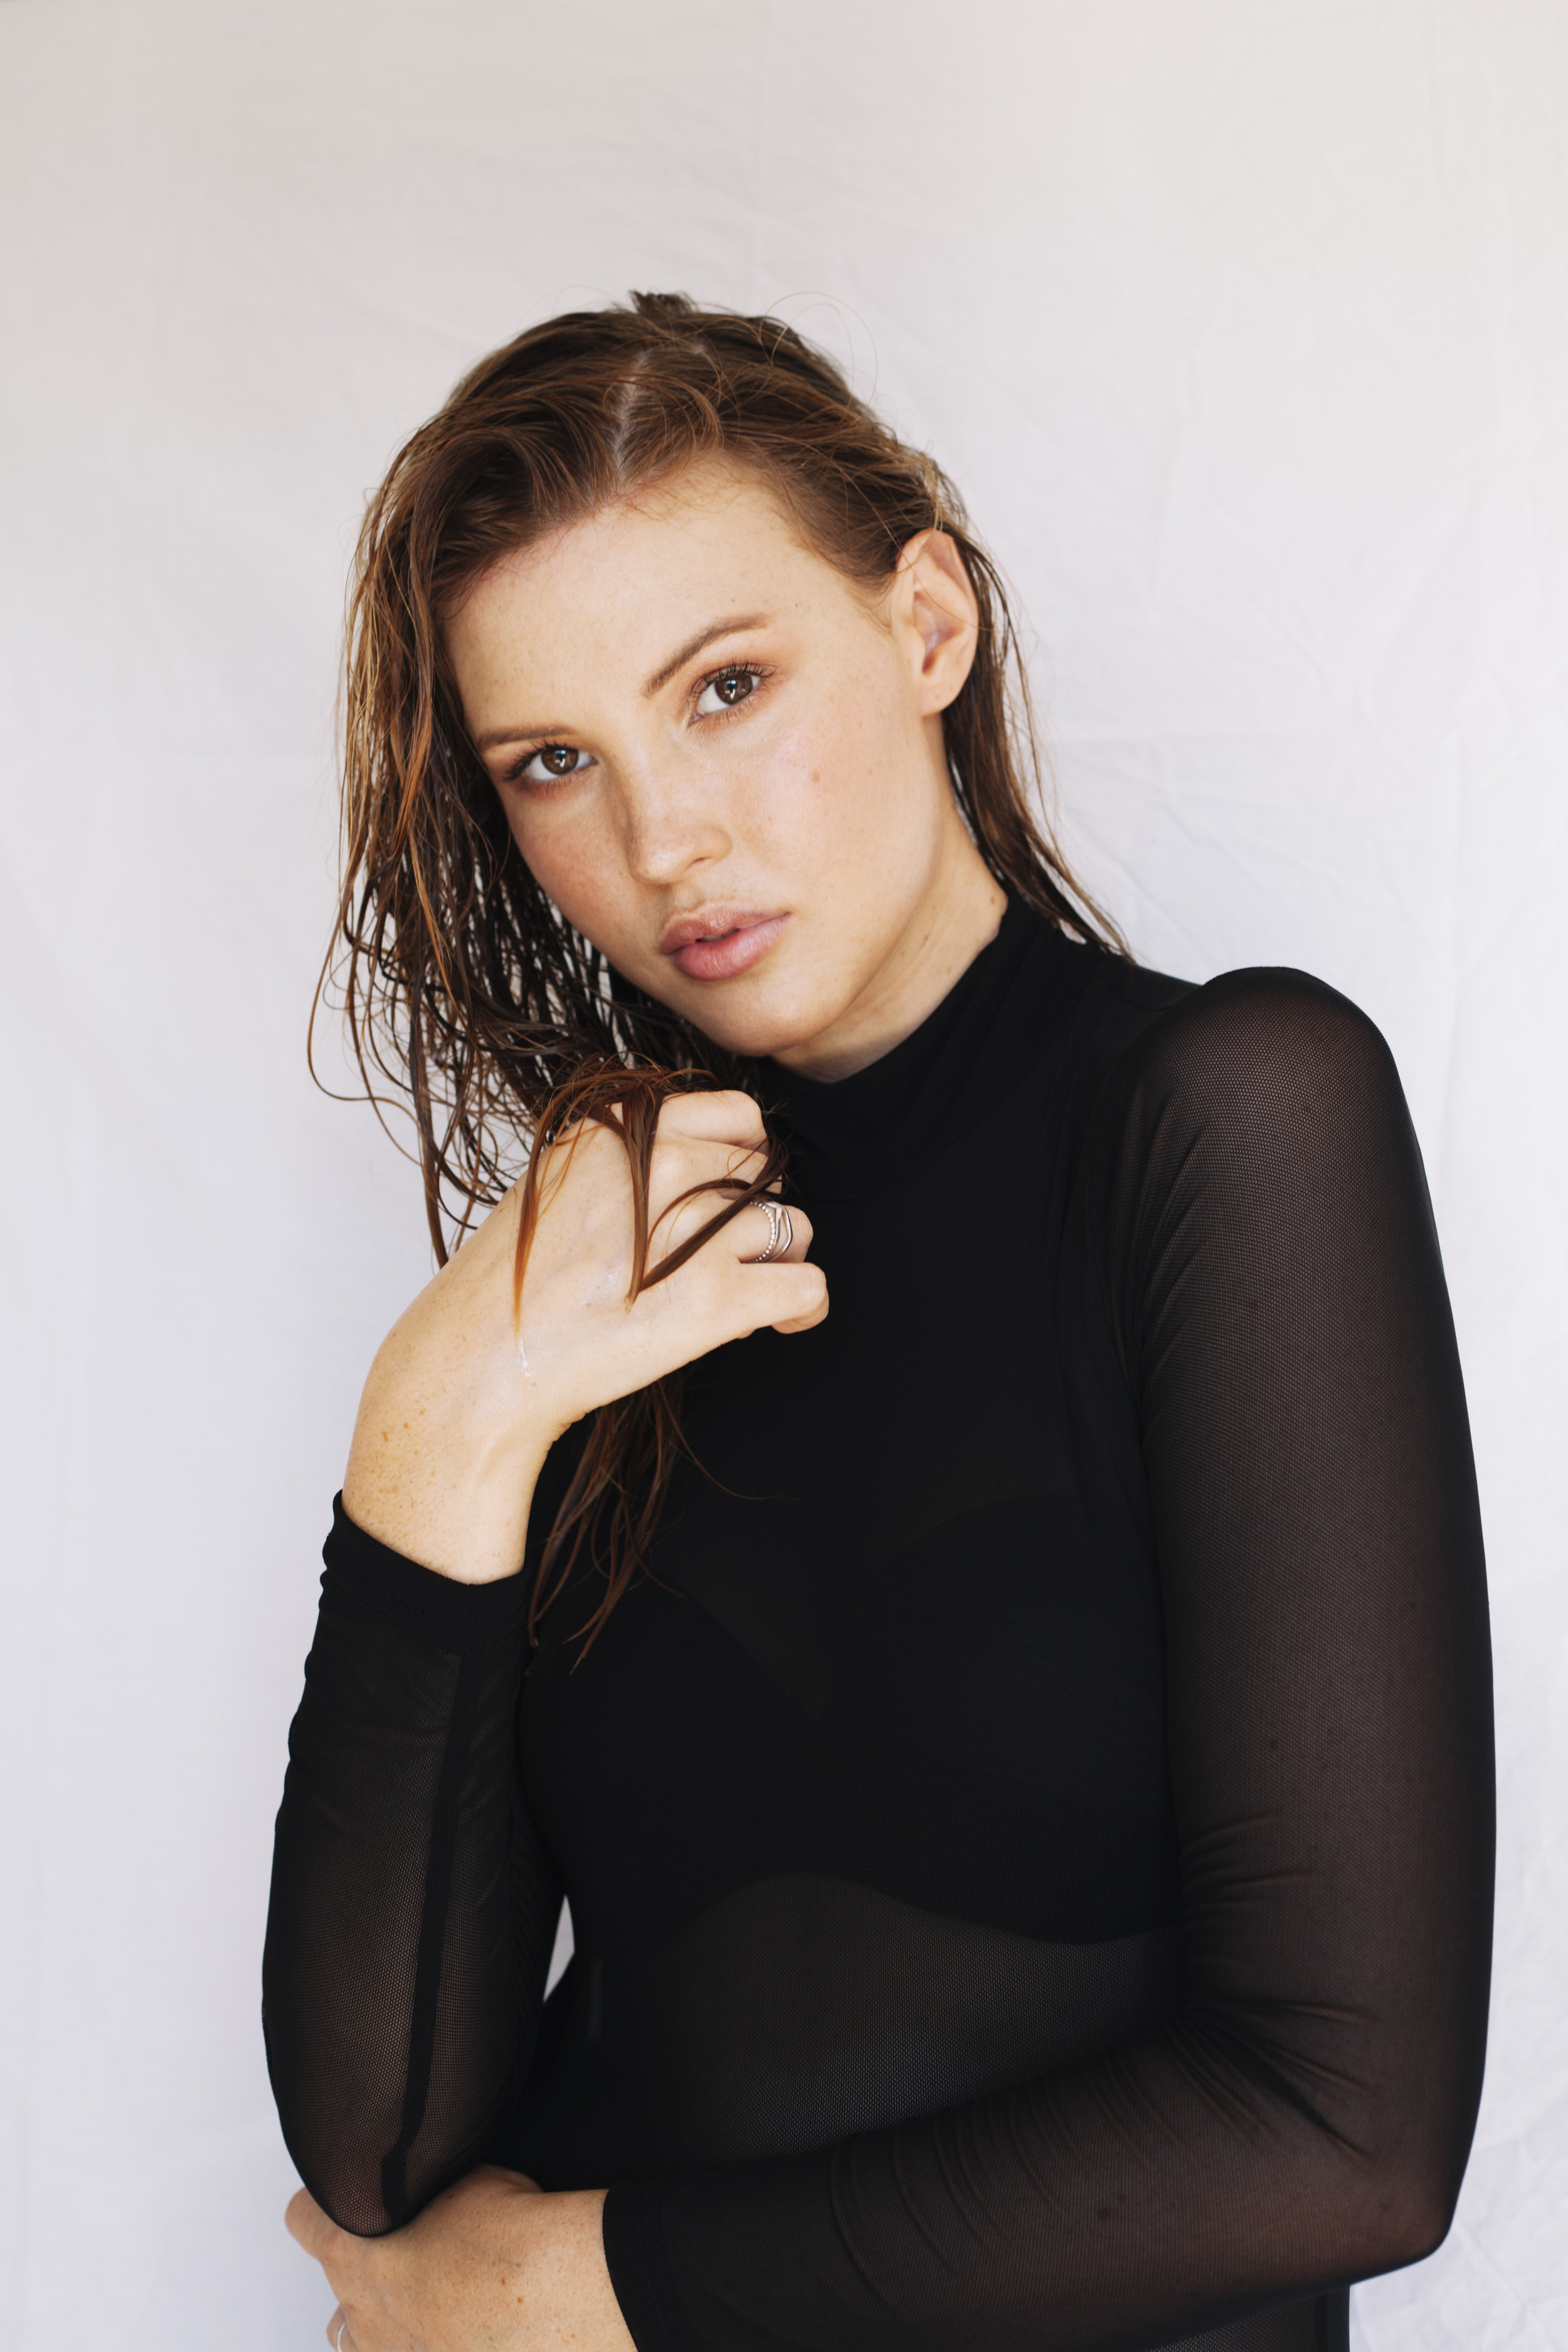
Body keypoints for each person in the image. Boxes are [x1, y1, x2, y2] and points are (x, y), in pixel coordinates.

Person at [263, 292, 1494, 2352]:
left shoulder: (1221, 1120)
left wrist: (591, 2291)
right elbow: (379, 2150)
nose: (662, 839)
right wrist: (435, 1425)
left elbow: (1341, 2134)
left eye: (725, 686)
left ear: (926, 624)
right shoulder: (599, 1273)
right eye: (554, 762)